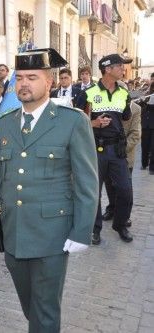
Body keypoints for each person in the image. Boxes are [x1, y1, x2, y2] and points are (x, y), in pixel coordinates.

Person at [0, 48, 98, 332]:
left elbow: (87, 181)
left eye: (32, 77)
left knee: (44, 311)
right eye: (19, 77)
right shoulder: (6, 123)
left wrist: (82, 230)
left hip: (52, 234)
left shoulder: (72, 121)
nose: (23, 84)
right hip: (13, 230)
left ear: (49, 81)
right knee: (30, 304)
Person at [85, 53, 134, 245]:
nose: (123, 69)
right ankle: (95, 229)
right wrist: (94, 123)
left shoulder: (124, 93)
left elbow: (126, 117)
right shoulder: (88, 93)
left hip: (117, 150)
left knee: (125, 189)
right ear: (107, 69)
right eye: (120, 66)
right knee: (94, 191)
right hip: (95, 149)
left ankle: (120, 224)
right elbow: (78, 122)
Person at [103, 99, 141, 226]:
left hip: (125, 154)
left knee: (125, 188)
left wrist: (120, 150)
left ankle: (125, 216)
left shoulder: (136, 108)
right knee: (109, 184)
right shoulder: (107, 104)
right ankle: (112, 209)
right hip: (108, 153)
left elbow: (135, 134)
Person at [139, 82, 154, 172]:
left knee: (153, 147)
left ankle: (152, 167)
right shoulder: (147, 95)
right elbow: (140, 107)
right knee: (144, 146)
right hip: (145, 124)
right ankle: (144, 164)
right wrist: (142, 101)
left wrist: (148, 103)